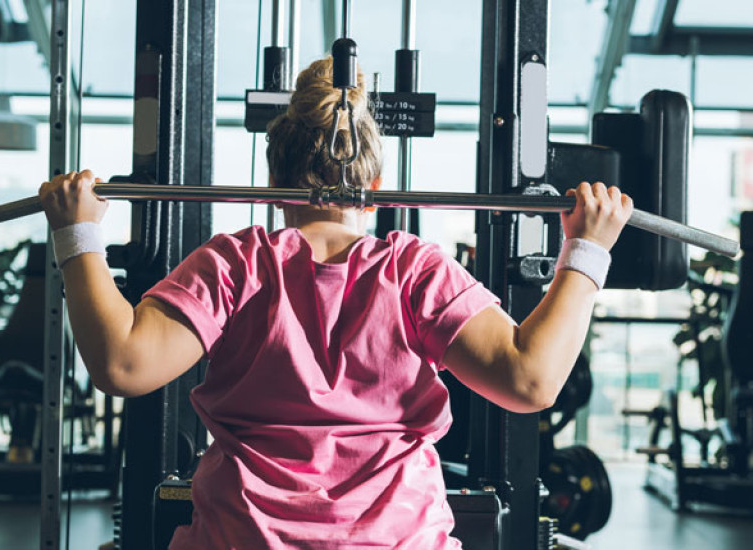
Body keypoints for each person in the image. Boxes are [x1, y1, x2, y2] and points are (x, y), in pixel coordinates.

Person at [39, 58, 632, 549]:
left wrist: (78, 235)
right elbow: (530, 382)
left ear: (274, 189)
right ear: (373, 192)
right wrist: (587, 250)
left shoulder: (237, 263)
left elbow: (121, 364)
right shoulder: (413, 270)